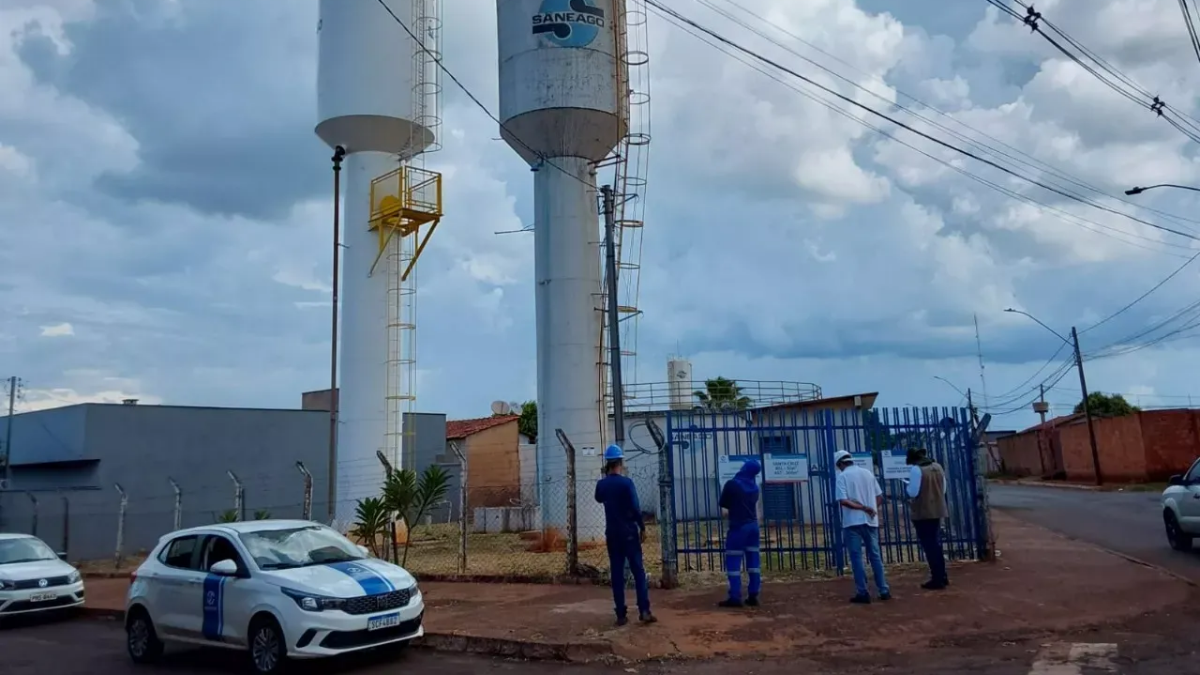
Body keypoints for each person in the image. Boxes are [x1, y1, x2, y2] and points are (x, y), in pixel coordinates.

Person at [594, 443, 656, 626]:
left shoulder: (602, 485)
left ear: (607, 463)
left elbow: (598, 498)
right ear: (620, 463)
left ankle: (620, 614)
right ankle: (644, 610)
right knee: (638, 571)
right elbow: (635, 507)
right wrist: (642, 526)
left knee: (617, 573)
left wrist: (606, 479)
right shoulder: (626, 483)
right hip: (629, 532)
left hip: (612, 534)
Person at [834, 449, 890, 604]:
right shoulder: (867, 473)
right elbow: (879, 497)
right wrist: (871, 509)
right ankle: (884, 589)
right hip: (871, 521)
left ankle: (862, 592)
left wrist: (863, 508)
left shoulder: (842, 476)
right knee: (875, 555)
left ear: (840, 464)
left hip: (852, 522)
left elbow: (843, 501)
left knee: (856, 557)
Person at [718, 458, 762, 608]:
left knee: (733, 562)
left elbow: (724, 510)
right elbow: (756, 510)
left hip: (738, 527)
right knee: (753, 562)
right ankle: (753, 595)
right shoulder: (755, 487)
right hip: (753, 527)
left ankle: (735, 597)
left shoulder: (732, 484)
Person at [905, 447, 949, 590]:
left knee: (929, 545)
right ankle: (942, 575)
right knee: (935, 543)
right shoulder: (937, 466)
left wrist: (907, 487)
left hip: (923, 511)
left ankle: (937, 579)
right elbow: (943, 489)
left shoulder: (916, 470)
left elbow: (913, 492)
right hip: (938, 509)